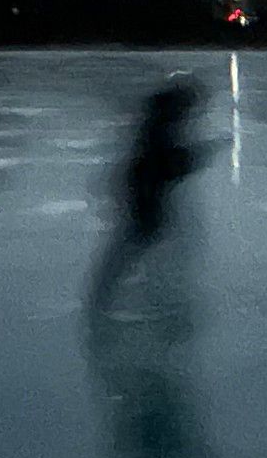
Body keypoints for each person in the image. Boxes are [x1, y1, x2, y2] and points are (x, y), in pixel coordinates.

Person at [85, 79, 201, 312]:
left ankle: (146, 288)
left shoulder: (158, 126)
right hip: (146, 191)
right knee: (141, 237)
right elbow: (164, 165)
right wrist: (191, 158)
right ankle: (110, 292)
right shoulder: (161, 129)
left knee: (147, 238)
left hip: (146, 190)